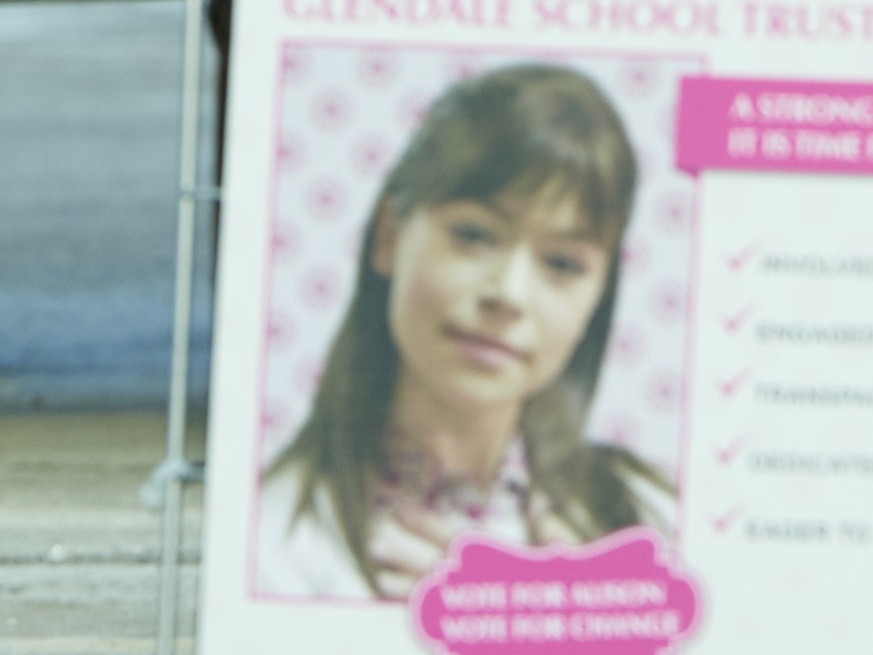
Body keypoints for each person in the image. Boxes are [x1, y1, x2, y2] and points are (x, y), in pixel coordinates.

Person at [271, 65, 664, 603]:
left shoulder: (651, 516)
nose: (510, 294)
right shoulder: (275, 542)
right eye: (474, 235)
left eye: (563, 264)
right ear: (390, 235)